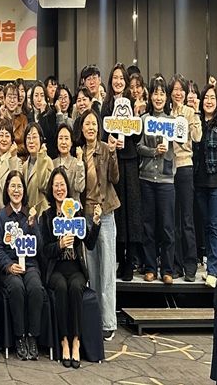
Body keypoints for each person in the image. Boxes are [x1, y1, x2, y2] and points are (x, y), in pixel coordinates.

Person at [40, 167, 101, 369]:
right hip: (56, 268)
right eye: (56, 185)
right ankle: (64, 340)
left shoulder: (76, 212)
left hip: (76, 268)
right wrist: (59, 245)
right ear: (51, 189)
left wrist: (96, 223)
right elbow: (44, 251)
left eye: (62, 185)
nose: (59, 189)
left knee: (75, 287)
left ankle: (76, 340)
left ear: (67, 188)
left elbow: (89, 243)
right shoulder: (47, 216)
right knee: (60, 287)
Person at [0, 170, 44, 360]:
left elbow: (39, 247)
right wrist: (8, 266)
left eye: (19, 186)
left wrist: (32, 225)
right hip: (11, 266)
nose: (16, 190)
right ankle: (19, 336)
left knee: (36, 287)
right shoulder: (1, 216)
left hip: (29, 264)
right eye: (12, 186)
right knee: (16, 287)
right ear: (7, 189)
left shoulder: (30, 214)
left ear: (24, 190)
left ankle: (32, 336)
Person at [78, 109, 120, 340]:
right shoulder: (79, 152)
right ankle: (95, 318)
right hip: (86, 214)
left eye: (94, 123)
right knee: (92, 269)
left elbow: (115, 178)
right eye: (87, 124)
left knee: (107, 269)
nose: (91, 127)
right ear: (82, 128)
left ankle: (108, 322)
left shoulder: (105, 148)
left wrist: (113, 154)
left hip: (105, 213)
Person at [101, 63, 142, 282]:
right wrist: (109, 140)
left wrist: (136, 116)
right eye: (115, 78)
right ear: (111, 81)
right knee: (116, 211)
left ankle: (130, 262)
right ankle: (118, 259)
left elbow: (137, 137)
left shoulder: (133, 103)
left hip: (131, 162)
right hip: (113, 163)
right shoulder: (106, 105)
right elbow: (102, 133)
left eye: (121, 78)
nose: (118, 81)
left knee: (132, 212)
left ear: (126, 82)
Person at [137, 77, 176, 285]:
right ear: (150, 96)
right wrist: (154, 151)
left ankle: (167, 270)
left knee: (167, 227)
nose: (158, 97)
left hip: (166, 180)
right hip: (146, 179)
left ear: (166, 97)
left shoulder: (173, 121)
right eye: (155, 93)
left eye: (162, 93)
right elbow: (139, 147)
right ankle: (151, 268)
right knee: (148, 226)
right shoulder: (144, 119)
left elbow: (183, 142)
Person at [168, 74, 202, 282]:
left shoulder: (190, 112)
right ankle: (176, 264)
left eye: (181, 90)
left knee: (187, 220)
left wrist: (195, 112)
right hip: (167, 170)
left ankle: (190, 265)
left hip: (185, 166)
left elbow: (197, 137)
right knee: (173, 221)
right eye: (175, 90)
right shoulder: (165, 113)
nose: (178, 93)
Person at [193, 83, 217, 287]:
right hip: (199, 181)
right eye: (206, 97)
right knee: (205, 225)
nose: (209, 101)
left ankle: (214, 270)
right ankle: (209, 267)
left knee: (215, 226)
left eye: (212, 97)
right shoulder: (196, 121)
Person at [22, 123, 53, 215]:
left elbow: (43, 186)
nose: (31, 141)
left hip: (42, 213)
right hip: (28, 213)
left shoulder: (47, 161)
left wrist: (41, 157)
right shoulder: (25, 165)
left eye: (34, 137)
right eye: (28, 138)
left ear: (41, 139)